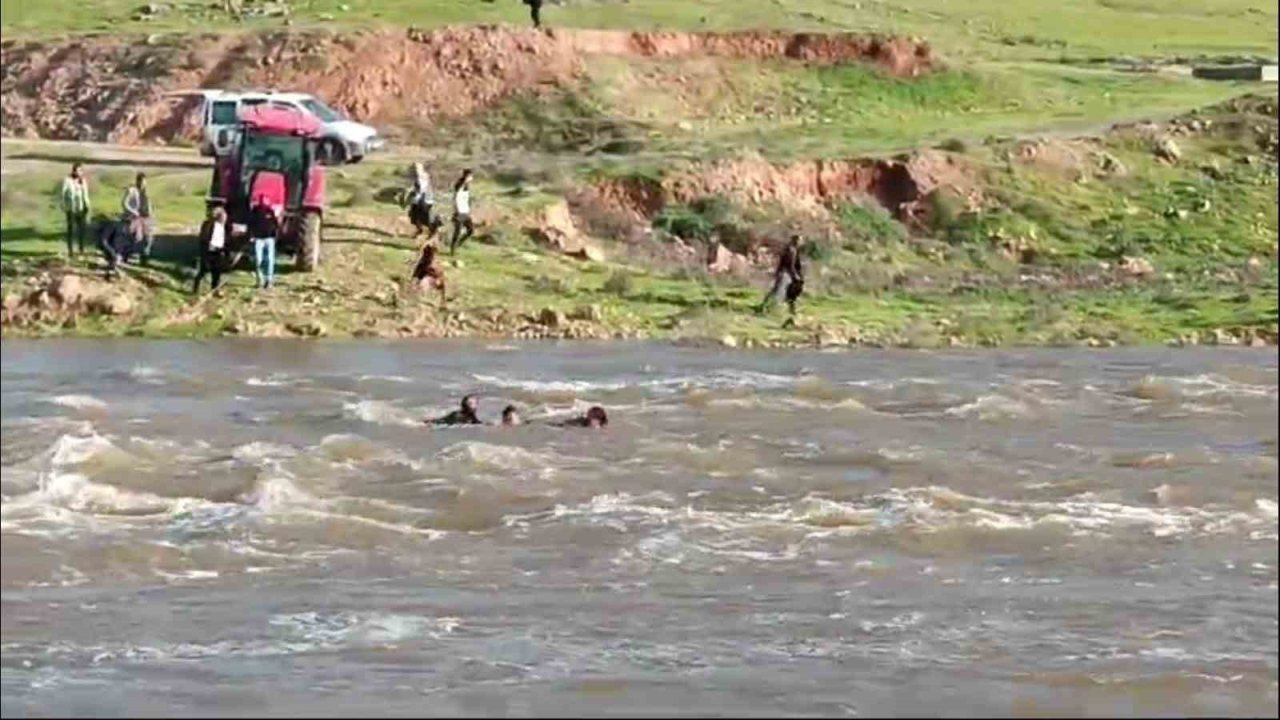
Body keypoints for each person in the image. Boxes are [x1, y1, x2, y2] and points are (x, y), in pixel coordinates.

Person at [755, 234, 805, 319]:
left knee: (787, 293)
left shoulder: (792, 249)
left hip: (785, 273)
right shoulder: (791, 250)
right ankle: (767, 308)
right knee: (779, 292)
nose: (800, 242)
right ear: (795, 241)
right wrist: (795, 276)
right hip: (785, 274)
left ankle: (790, 311)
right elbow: (790, 265)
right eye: (799, 240)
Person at [193, 206, 230, 294]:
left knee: (217, 271)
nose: (225, 219)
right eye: (223, 217)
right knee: (204, 270)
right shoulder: (209, 224)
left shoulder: (223, 226)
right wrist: (205, 248)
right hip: (209, 250)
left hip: (218, 250)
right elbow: (204, 238)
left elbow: (223, 238)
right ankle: (196, 288)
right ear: (219, 217)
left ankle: (215, 289)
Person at [121, 172, 155, 265]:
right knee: (135, 238)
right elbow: (124, 203)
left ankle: (144, 258)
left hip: (144, 217)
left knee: (148, 238)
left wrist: (150, 214)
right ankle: (125, 254)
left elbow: (148, 205)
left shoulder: (146, 192)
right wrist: (133, 212)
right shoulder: (131, 190)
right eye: (141, 182)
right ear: (137, 181)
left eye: (144, 182)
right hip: (132, 217)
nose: (142, 184)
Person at [59, 163, 91, 257]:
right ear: (73, 171)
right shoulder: (67, 180)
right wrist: (64, 205)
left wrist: (87, 206)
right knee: (71, 230)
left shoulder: (83, 181)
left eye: (81, 171)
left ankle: (81, 249)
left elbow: (86, 194)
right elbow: (63, 194)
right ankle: (70, 251)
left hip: (81, 208)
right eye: (77, 171)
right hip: (71, 208)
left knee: (82, 230)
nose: (79, 173)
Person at [247, 195, 279, 289]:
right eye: (262, 200)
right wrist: (251, 235)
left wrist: (275, 236)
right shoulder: (255, 211)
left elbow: (275, 224)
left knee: (269, 260)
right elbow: (250, 224)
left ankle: (269, 280)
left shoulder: (270, 211)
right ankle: (259, 281)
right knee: (258, 260)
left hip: (269, 239)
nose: (264, 202)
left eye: (265, 200)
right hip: (258, 239)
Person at [405, 163, 442, 239]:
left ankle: (433, 231)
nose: (416, 170)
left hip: (424, 200)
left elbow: (422, 189)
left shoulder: (424, 176)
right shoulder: (417, 177)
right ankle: (420, 230)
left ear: (421, 169)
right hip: (417, 200)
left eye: (417, 169)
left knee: (425, 218)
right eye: (415, 169)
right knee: (414, 217)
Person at [410, 239, 448, 305]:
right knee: (419, 286)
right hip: (427, 281)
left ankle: (441, 301)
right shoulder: (424, 263)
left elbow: (441, 278)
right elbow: (415, 276)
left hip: (433, 280)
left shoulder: (434, 263)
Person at [94, 214, 131, 278]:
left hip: (116, 249)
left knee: (115, 262)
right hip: (111, 248)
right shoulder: (115, 226)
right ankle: (114, 270)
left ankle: (111, 270)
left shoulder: (124, 228)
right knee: (115, 261)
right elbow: (104, 240)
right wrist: (112, 252)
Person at [449, 169, 475, 255]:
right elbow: (457, 194)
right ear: (467, 176)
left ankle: (458, 244)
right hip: (459, 212)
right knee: (457, 231)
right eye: (471, 176)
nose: (472, 178)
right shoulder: (459, 185)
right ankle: (453, 249)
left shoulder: (466, 186)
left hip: (465, 212)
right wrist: (464, 181)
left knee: (470, 230)